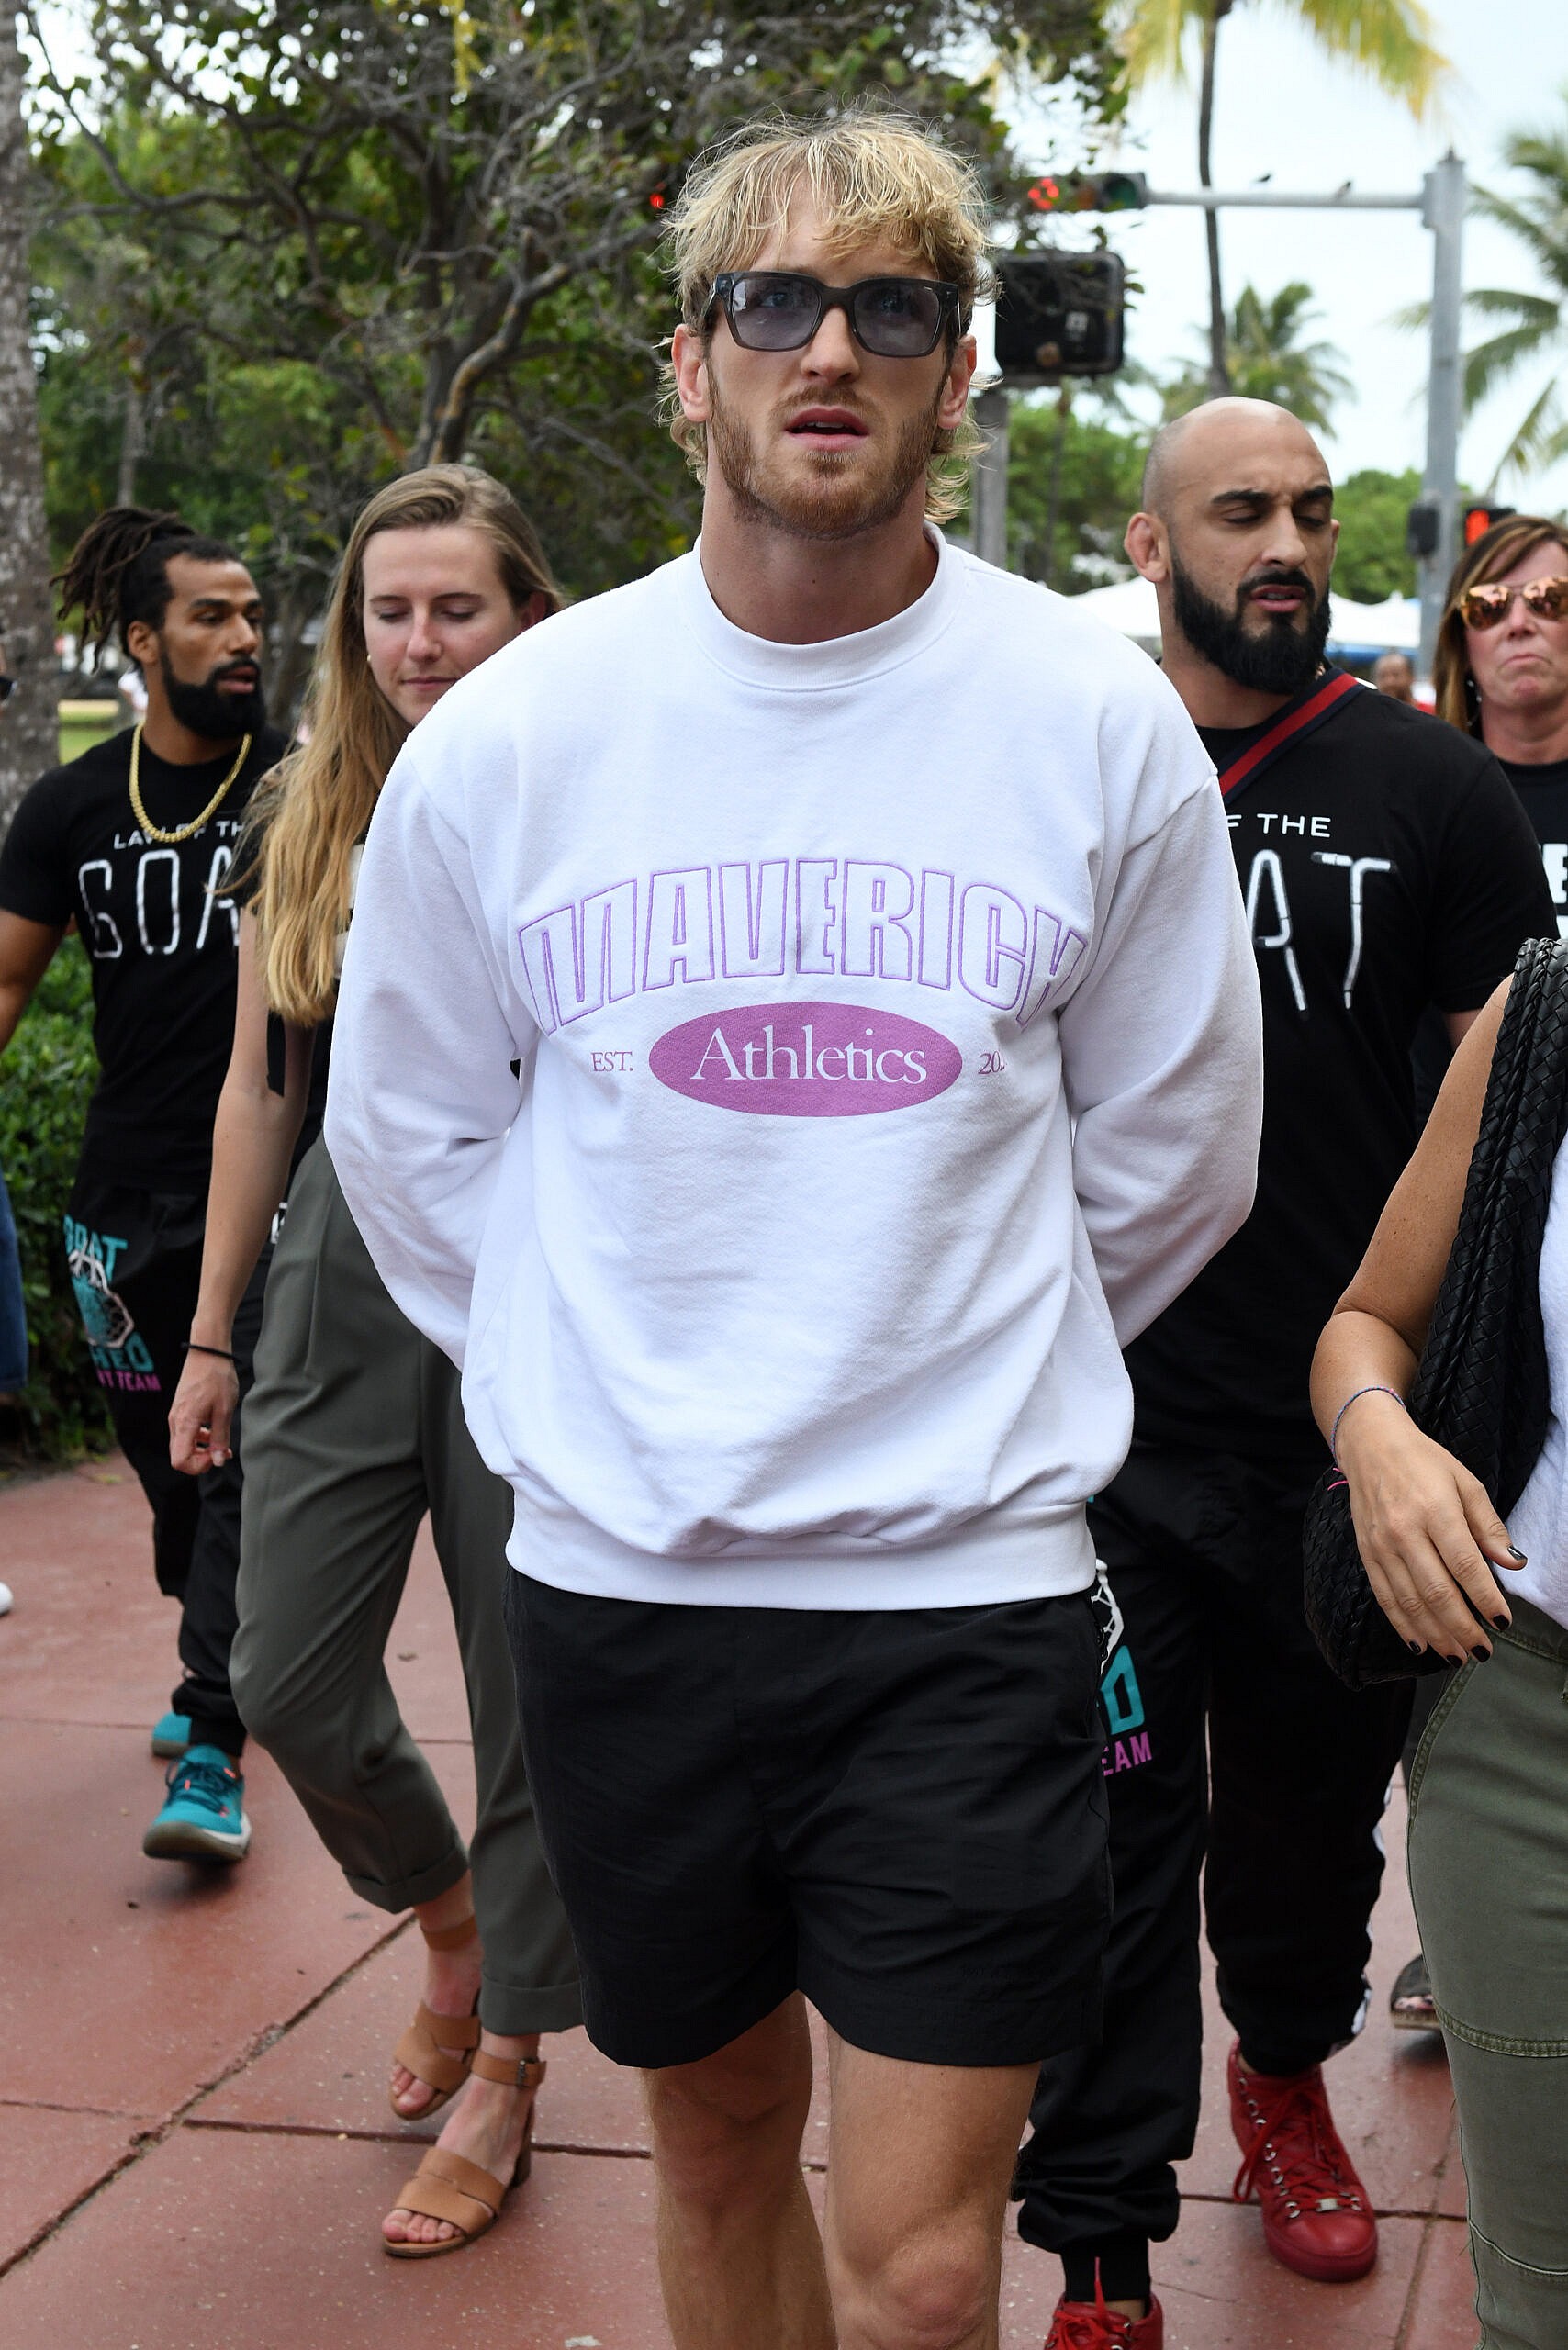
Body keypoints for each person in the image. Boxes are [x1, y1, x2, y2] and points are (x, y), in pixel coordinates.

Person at [324, 112, 1264, 2350]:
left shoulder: (1089, 721)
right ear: (691, 365)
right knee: (720, 2140)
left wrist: (952, 1335)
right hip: (629, 1588)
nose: (826, 348)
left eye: (893, 307)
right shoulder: (519, 741)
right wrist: (609, 1368)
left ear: (957, 373)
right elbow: (418, 1149)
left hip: (964, 1591)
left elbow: (1177, 1150)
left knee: (932, 2268)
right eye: (773, 303)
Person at [1010, 400, 1557, 2347]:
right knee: (1108, 1820)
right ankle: (1096, 2244)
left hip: (1337, 1434)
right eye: (1238, 512)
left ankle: (1281, 2061)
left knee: (1306, 1836)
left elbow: (1512, 1132)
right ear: (1145, 545)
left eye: (1311, 513)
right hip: (1100, 1425)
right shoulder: (1064, 766)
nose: (1285, 544)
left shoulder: (1427, 792)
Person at [166, 464, 580, 2260]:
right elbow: (263, 1086)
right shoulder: (308, 802)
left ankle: (509, 2055)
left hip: (543, 1252)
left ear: (523, 615)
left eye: (456, 606)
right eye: (390, 611)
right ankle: (447, 1917)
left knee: (525, 1681)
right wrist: (208, 1326)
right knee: (283, 1668)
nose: (419, 641)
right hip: (345, 1247)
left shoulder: (594, 786)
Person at [0, 511, 285, 1853]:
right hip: (117, 1205)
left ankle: (212, 1740)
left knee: (239, 1467)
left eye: (250, 617)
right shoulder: (68, 806)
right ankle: (213, 1638)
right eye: (211, 619)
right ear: (140, 641)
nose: (244, 640)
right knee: (171, 1485)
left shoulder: (299, 789)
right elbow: (11, 977)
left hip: (271, 1196)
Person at [1312, 970, 1566, 2350]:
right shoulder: (1548, 1020)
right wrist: (1380, 1439)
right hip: (1528, 1733)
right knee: (1540, 2298)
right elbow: (1370, 1323)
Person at [1435, 514, 1568, 939]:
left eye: (1549, 599)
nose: (1518, 624)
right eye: (1487, 605)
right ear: (1462, 641)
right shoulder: (1419, 796)